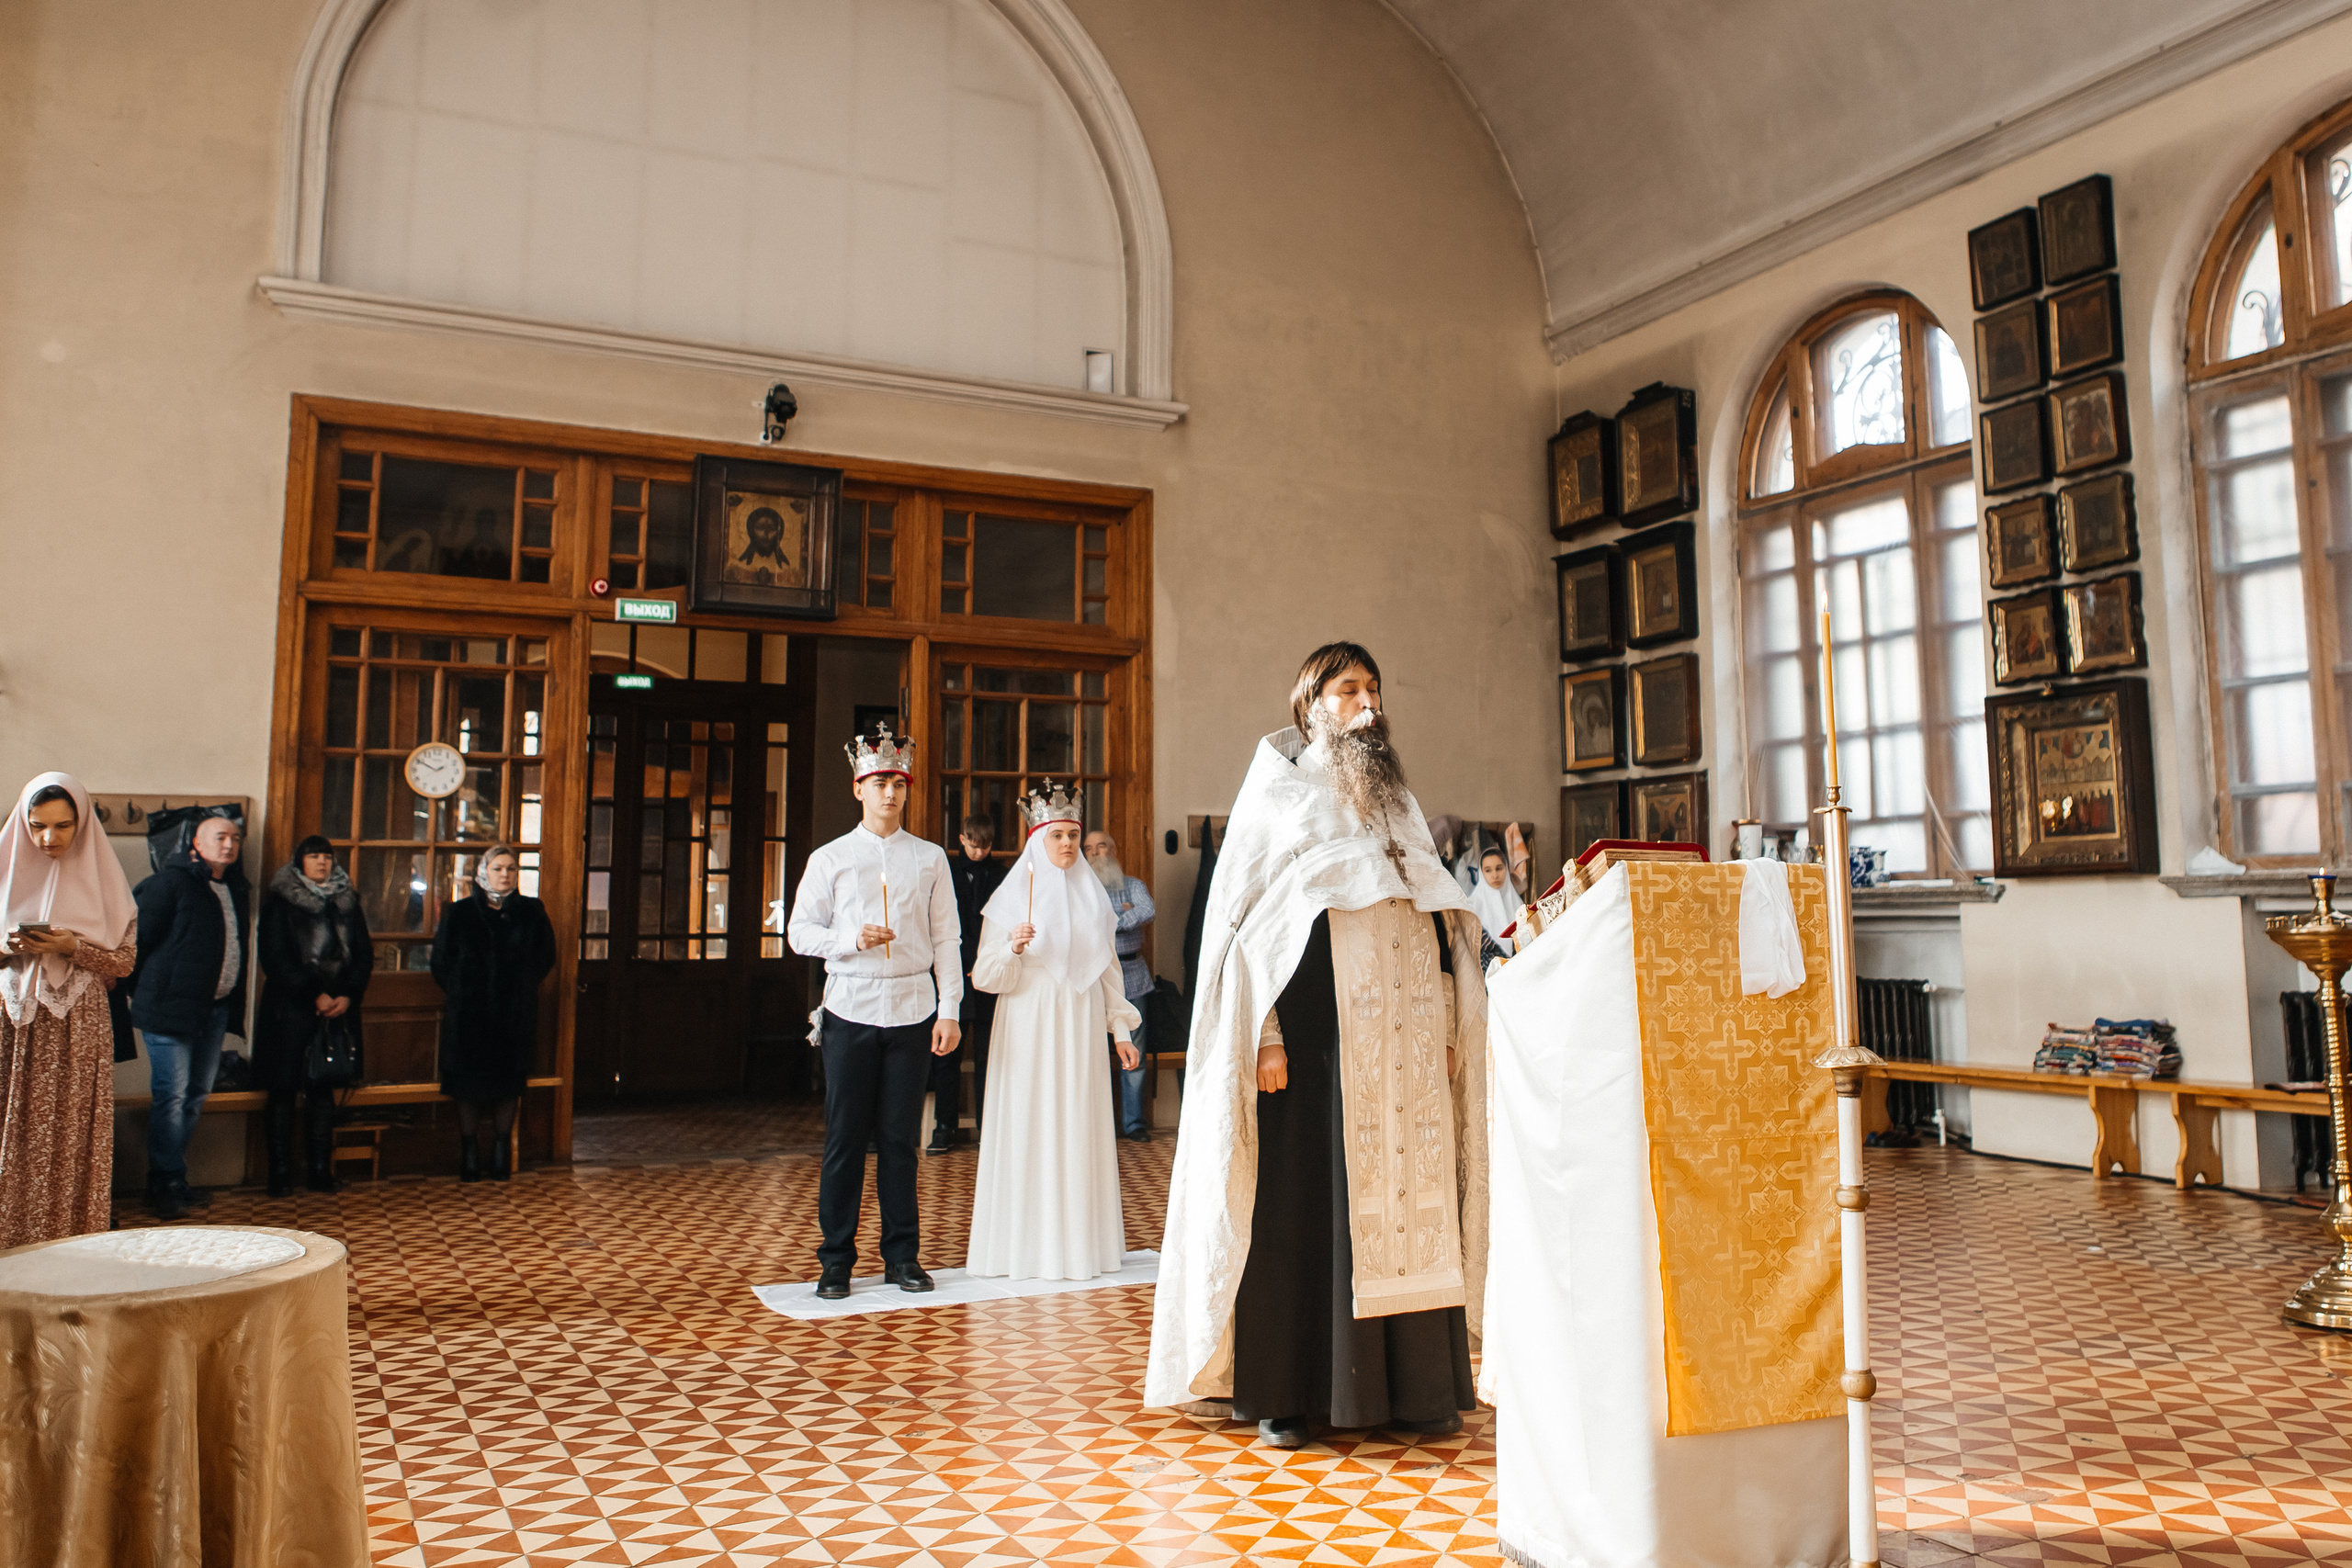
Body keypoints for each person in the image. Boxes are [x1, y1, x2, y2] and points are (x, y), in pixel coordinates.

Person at [1147, 642, 1491, 1450]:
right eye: (1349, 689)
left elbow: (1436, 920)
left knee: (1412, 1206)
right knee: (1305, 1209)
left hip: (1403, 1053)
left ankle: (1418, 1388)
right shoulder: (1278, 793)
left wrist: (1446, 1022)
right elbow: (1244, 934)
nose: (1367, 703)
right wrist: (1262, 1036)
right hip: (1310, 1050)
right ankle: (1289, 1392)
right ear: (1313, 705)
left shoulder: (1394, 798)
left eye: (1373, 687)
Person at [786, 725, 961, 1300]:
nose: (890, 792)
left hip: (912, 1010)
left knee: (899, 1141)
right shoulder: (830, 858)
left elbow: (946, 939)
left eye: (898, 783)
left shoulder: (930, 858)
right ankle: (835, 1259)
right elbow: (799, 933)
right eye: (879, 781)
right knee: (844, 1139)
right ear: (857, 787)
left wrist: (950, 1008)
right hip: (851, 1008)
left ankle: (902, 1256)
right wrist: (849, 939)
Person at [967, 786, 1142, 1281]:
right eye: (1057, 835)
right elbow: (984, 976)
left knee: (1077, 1120)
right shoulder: (1009, 901)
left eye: (1073, 835)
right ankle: (1024, 1249)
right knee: (1031, 1121)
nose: (1067, 844)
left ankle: (1079, 1247)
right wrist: (1013, 950)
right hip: (1027, 1021)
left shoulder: (1094, 901)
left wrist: (1121, 1032)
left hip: (1081, 1022)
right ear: (1038, 839)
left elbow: (1109, 972)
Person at [0, 773, 138, 1247]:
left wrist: (71, 946)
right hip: (12, 1023)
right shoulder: (4, 870)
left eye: (62, 826)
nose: (48, 839)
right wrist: (6, 948)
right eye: (37, 826)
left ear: (81, 824)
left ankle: (70, 1250)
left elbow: (123, 960)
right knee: (10, 1128)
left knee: (73, 1136)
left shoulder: (107, 884)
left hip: (78, 1024)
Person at [130, 809, 251, 1220]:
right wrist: (145, 993)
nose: (229, 844)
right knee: (172, 1096)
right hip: (170, 1011)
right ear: (195, 843)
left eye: (235, 838)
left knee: (196, 1097)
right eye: (220, 837)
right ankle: (165, 1181)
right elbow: (135, 943)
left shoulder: (232, 887)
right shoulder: (170, 883)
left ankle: (172, 1177)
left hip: (212, 1011)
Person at [254, 835, 373, 1197]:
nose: (322, 862)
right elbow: (274, 958)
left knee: (323, 1088)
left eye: (327, 857)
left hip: (336, 1008)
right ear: (299, 862)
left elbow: (364, 954)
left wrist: (348, 994)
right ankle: (279, 1174)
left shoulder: (347, 901)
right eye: (314, 856)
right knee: (283, 1089)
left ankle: (321, 1171)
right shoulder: (280, 902)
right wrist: (313, 994)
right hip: (289, 1008)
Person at [431, 844, 555, 1181]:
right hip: (469, 1015)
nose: (505, 874)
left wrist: (520, 987)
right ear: (483, 871)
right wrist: (461, 990)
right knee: (467, 1085)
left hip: (512, 1014)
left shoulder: (531, 911)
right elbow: (440, 961)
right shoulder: (459, 913)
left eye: (511, 869)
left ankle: (502, 1151)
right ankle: (468, 1152)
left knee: (507, 1083)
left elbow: (545, 957)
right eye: (498, 868)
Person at [931, 812, 1006, 1153]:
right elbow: (942, 924)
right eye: (973, 846)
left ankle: (989, 1126)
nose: (978, 852)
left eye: (985, 846)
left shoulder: (1003, 876)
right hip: (955, 973)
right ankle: (944, 1126)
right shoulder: (946, 871)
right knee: (947, 1055)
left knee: (990, 1057)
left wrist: (987, 961)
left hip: (989, 974)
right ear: (962, 839)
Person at [1084, 828, 1157, 1140]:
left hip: (1133, 977)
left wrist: (1110, 922)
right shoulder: (1079, 890)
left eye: (1102, 847)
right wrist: (1124, 917)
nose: (1095, 853)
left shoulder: (1133, 886)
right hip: (1091, 979)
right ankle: (1096, 1126)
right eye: (1089, 849)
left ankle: (1134, 1124)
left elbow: (1147, 910)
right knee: (1090, 1054)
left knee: (1134, 1052)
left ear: (1113, 851)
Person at [1467, 845, 1518, 953]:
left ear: (1506, 869)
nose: (1495, 875)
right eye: (1488, 870)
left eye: (1499, 869)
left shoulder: (1519, 906)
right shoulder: (1471, 908)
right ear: (1481, 873)